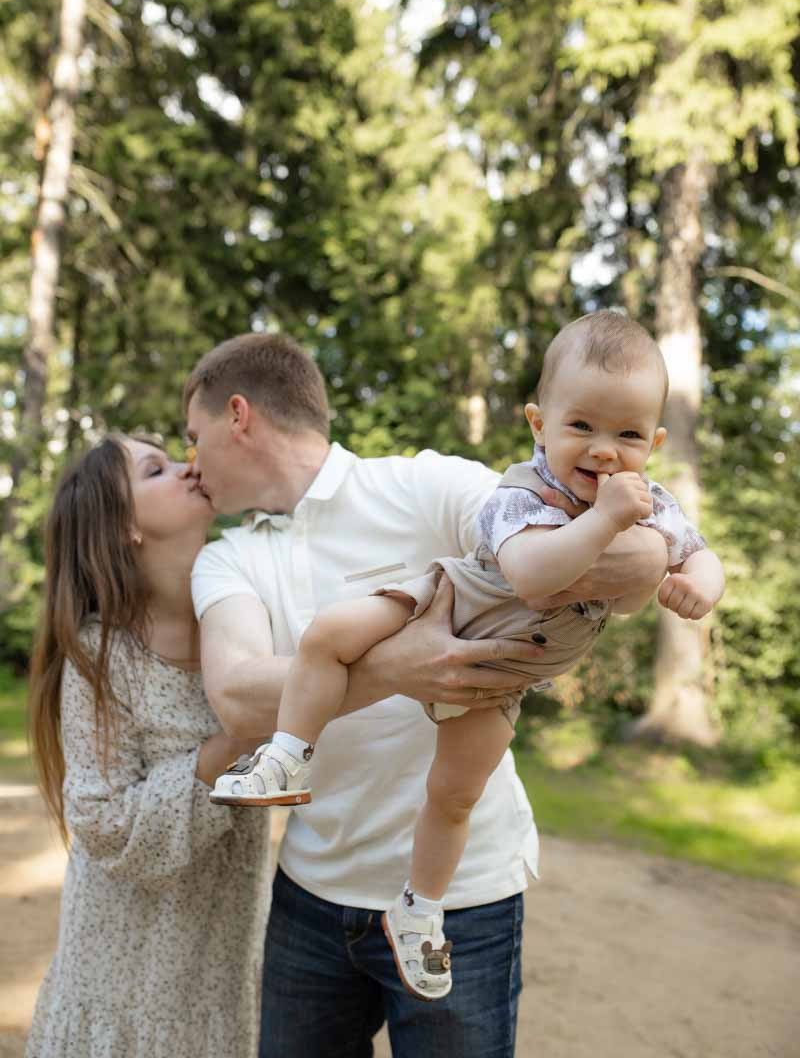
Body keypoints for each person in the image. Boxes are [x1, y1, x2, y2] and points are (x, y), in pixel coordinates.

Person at [210, 312, 725, 1002]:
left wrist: (698, 585)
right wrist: (607, 524)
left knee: (454, 795)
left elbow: (687, 555)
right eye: (582, 428)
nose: (605, 451)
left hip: (500, 678)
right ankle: (287, 753)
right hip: (445, 598)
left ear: (655, 441)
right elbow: (534, 575)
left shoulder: (650, 503)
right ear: (540, 425)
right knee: (329, 634)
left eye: (628, 435)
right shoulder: (520, 493)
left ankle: (418, 908)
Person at [26, 435, 270, 1058]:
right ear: (125, 525)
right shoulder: (98, 655)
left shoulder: (248, 611)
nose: (190, 465)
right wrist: (234, 744)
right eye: (155, 469)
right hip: (123, 971)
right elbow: (101, 818)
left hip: (222, 951)